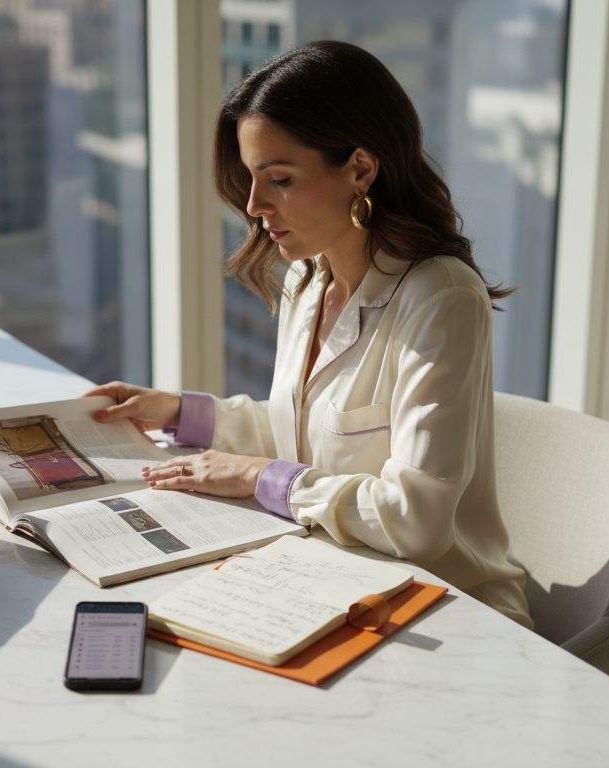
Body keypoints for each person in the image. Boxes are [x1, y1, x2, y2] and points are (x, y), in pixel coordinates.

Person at [83, 41, 533, 628]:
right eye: (250, 178)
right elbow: (300, 437)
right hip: (335, 579)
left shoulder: (441, 297)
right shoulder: (307, 277)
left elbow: (415, 521)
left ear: (360, 169)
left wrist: (258, 476)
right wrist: (176, 412)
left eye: (280, 179)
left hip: (450, 607)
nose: (254, 205)